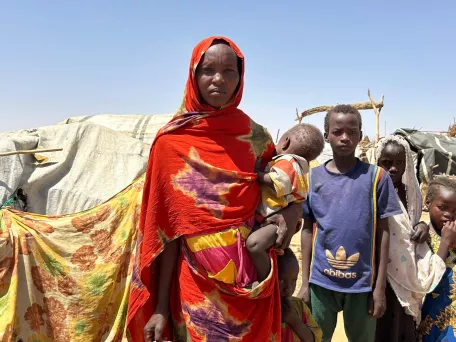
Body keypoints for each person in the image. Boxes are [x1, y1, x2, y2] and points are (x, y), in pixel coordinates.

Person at [126, 36, 303, 342]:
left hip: (253, 285)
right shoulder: (170, 143)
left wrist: (293, 210)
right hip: (195, 287)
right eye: (208, 70)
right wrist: (160, 309)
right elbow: (167, 233)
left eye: (229, 71)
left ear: (240, 77)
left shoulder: (256, 138)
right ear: (194, 75)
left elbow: (284, 190)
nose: (218, 79)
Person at [297, 104, 402, 342]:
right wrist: (305, 283)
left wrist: (379, 288)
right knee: (316, 338)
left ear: (360, 135)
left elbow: (384, 233)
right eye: (337, 131)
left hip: (363, 285)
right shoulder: (312, 179)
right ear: (326, 137)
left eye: (352, 132)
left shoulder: (377, 178)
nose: (345, 137)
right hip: (321, 283)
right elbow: (306, 230)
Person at [375, 136, 449, 342]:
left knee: (402, 322)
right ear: (377, 162)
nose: (393, 169)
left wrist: (423, 226)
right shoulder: (372, 191)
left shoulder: (411, 192)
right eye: (386, 163)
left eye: (399, 163)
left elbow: (412, 222)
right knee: (381, 325)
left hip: (408, 269)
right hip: (380, 271)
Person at [247, 124, 324, 281]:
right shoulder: (301, 167)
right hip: (276, 217)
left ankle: (266, 280)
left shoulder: (288, 161)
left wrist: (258, 175)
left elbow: (279, 181)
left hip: (276, 220)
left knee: (254, 244)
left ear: (285, 142)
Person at [418, 176, 456, 341]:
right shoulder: (423, 238)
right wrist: (445, 243)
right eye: (442, 207)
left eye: (455, 210)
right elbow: (427, 279)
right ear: (427, 203)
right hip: (430, 316)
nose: (449, 215)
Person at [279, 248, 322, 342]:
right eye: (281, 281)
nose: (288, 289)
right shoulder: (261, 310)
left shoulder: (299, 307)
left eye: (293, 281)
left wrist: (294, 320)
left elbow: (314, 339)